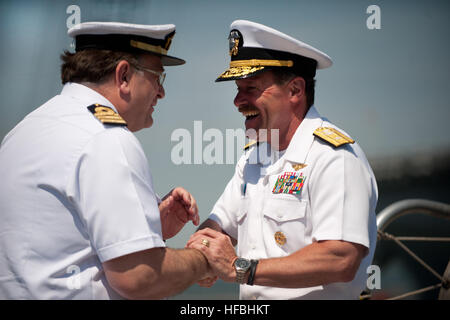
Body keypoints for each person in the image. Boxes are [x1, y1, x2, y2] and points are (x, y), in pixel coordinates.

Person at [0, 21, 212, 299]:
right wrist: (205, 259)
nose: (161, 92)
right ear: (123, 76)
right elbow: (139, 277)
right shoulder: (107, 138)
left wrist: (146, 230)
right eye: (157, 77)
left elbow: (53, 244)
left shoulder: (21, 132)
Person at [187, 20, 378, 300]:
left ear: (295, 91)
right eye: (237, 89)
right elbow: (218, 226)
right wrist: (200, 249)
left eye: (250, 88)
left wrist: (239, 268)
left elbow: (341, 258)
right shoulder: (254, 158)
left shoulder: (334, 157)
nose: (237, 101)